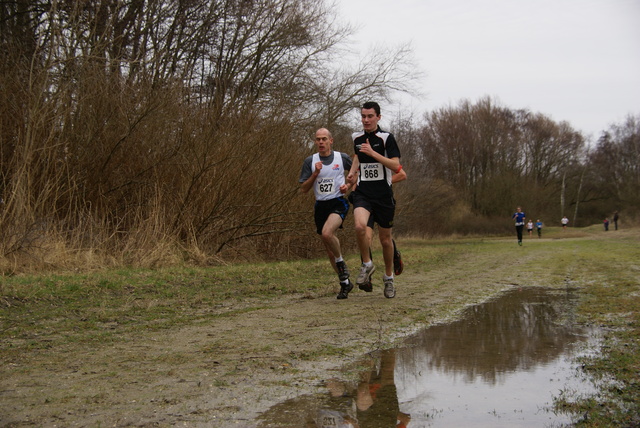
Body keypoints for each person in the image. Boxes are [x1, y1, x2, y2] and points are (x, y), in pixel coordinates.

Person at [347, 102, 401, 299]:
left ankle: (389, 278)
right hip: (363, 194)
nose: (366, 120)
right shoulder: (357, 137)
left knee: (386, 240)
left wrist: (374, 154)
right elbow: (357, 157)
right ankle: (367, 264)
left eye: (370, 116)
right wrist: (352, 173)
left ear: (378, 117)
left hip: (384, 196)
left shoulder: (386, 138)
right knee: (360, 227)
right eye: (363, 116)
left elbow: (396, 166)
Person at [299, 128, 353, 299]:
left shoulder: (341, 158)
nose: (321, 142)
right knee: (329, 248)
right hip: (320, 205)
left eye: (324, 139)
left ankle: (341, 264)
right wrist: (315, 173)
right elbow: (304, 189)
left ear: (331, 140)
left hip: (338, 202)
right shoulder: (310, 161)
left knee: (327, 233)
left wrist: (348, 186)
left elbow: (355, 174)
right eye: (318, 139)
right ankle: (345, 284)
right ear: (315, 142)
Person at [358, 168, 407, 293]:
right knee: (365, 238)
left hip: (382, 201)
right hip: (365, 202)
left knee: (385, 239)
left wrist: (382, 182)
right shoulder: (356, 159)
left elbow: (402, 175)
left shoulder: (381, 156)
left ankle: (394, 255)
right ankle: (367, 278)